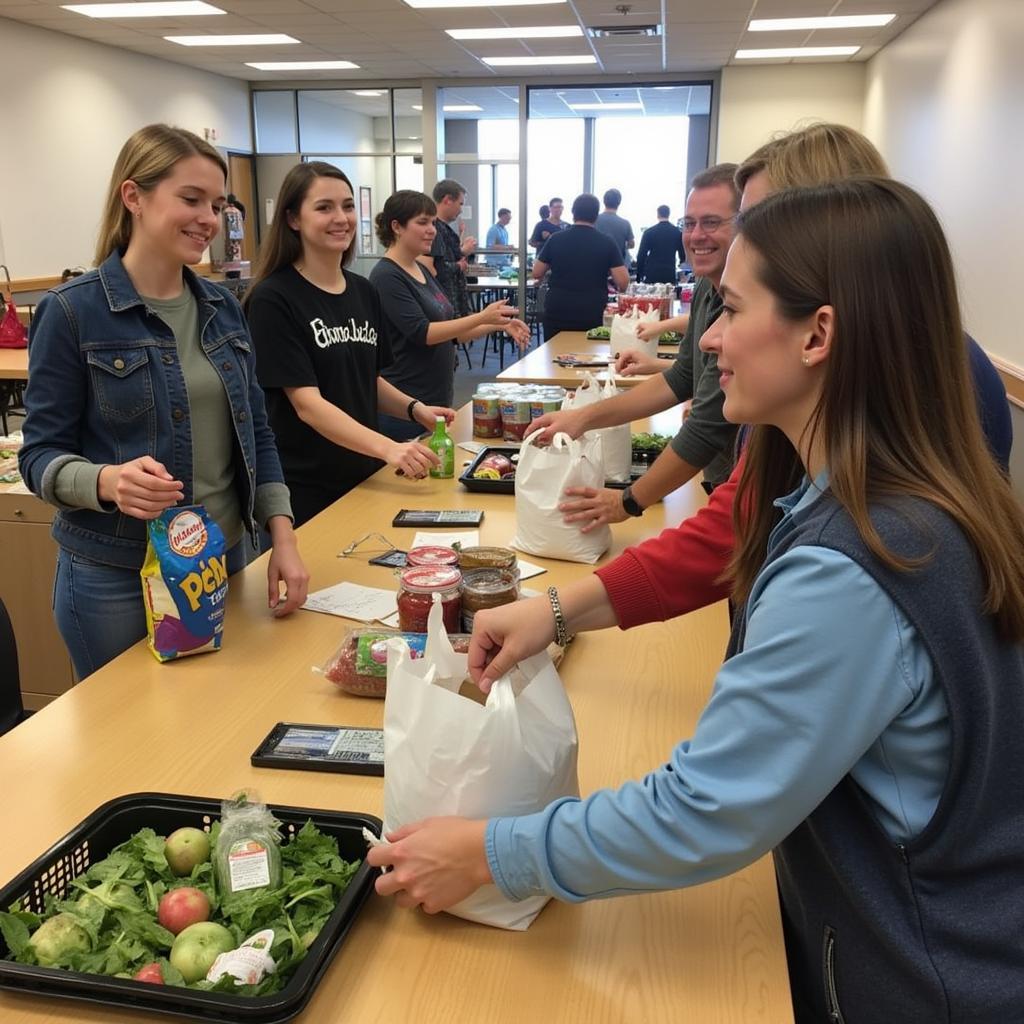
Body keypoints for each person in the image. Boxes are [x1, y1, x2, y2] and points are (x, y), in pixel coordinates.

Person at [368, 177, 1024, 1023]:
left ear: (819, 333)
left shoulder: (850, 568)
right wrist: (559, 610)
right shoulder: (902, 492)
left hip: (916, 970)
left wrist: (494, 853)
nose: (708, 338)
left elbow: (703, 812)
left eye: (734, 309)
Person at [18, 124, 309, 680]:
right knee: (125, 746)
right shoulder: (73, 312)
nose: (208, 218)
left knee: (210, 726)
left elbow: (258, 436)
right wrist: (106, 482)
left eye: (217, 204)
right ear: (134, 197)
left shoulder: (224, 308)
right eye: (191, 199)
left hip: (219, 563)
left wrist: (282, 536)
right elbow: (39, 458)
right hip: (115, 574)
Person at [245, 163, 455, 527]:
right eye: (324, 207)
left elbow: (365, 379)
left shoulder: (362, 291)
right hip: (307, 486)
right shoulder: (273, 299)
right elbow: (307, 404)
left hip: (365, 473)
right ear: (293, 219)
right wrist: (389, 447)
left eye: (347, 206)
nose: (341, 218)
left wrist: (414, 409)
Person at [531, 164, 742, 527]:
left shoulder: (746, 296)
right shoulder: (709, 285)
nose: (695, 236)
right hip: (718, 472)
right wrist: (582, 418)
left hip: (744, 476)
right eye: (688, 223)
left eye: (711, 222)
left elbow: (707, 425)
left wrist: (628, 502)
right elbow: (683, 376)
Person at [369, 190, 529, 441]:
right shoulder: (386, 277)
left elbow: (451, 333)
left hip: (435, 397)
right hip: (406, 403)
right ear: (396, 227)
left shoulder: (420, 268)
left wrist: (497, 325)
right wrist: (482, 317)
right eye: (422, 222)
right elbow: (424, 333)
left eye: (432, 222)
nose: (431, 230)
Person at [532, 193, 629, 342]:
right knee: (589, 357)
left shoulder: (556, 239)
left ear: (573, 213)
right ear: (596, 216)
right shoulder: (607, 242)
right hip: (591, 310)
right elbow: (623, 282)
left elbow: (537, 272)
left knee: (554, 356)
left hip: (558, 309)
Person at [426, 178, 475, 316]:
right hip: (445, 302)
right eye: (460, 204)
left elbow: (446, 257)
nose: (461, 210)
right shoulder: (434, 230)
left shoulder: (444, 230)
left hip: (452, 301)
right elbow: (436, 269)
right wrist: (459, 266)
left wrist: (463, 251)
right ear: (447, 200)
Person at [635, 205, 686, 284]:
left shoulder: (649, 232)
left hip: (652, 274)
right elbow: (682, 256)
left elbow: (641, 255)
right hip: (669, 273)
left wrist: (639, 276)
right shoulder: (677, 233)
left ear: (658, 215)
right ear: (669, 214)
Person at [594, 188, 634, 268]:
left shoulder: (593, 220)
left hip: (596, 264)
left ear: (604, 201)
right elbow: (631, 244)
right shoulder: (625, 223)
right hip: (617, 267)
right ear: (619, 203)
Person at [222, 194, 244, 264]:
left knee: (230, 253)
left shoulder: (225, 211)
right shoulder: (238, 211)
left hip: (229, 234)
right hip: (237, 234)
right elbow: (240, 223)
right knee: (237, 251)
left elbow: (224, 225)